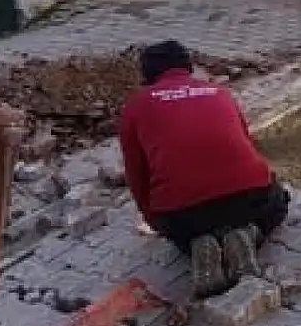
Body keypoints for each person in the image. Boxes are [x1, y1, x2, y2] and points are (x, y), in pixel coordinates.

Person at [118, 40, 290, 299]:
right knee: (278, 204)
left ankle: (196, 245)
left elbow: (136, 173)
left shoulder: (134, 107)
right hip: (248, 197)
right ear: (188, 67)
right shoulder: (219, 92)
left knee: (184, 231)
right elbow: (246, 143)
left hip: (185, 214)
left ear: (147, 75)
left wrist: (154, 220)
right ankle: (249, 233)